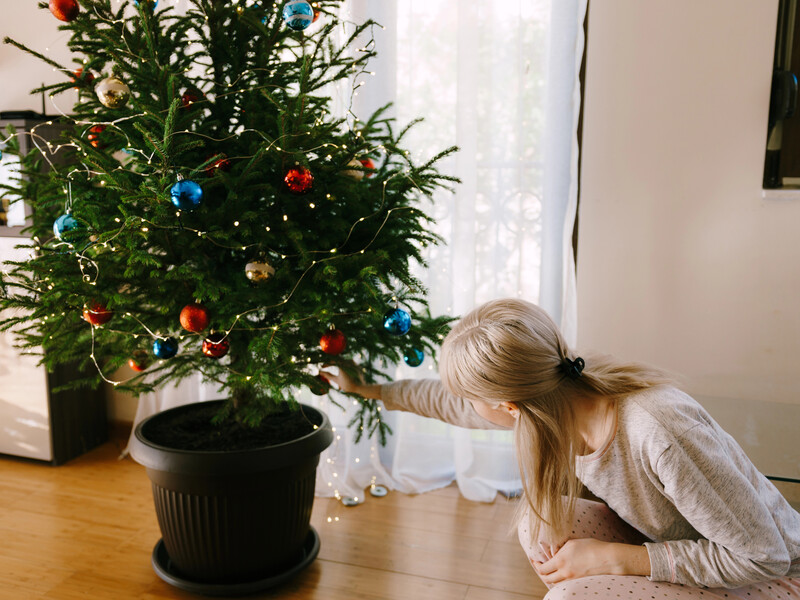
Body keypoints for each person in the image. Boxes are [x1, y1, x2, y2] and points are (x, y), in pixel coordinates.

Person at [322, 298, 800, 600]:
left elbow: (765, 557)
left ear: (507, 405)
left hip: (771, 579)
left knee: (569, 598)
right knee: (540, 526)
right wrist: (367, 389)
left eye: (472, 399)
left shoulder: (658, 432)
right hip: (682, 548)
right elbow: (444, 403)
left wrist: (619, 562)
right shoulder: (554, 397)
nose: (464, 407)